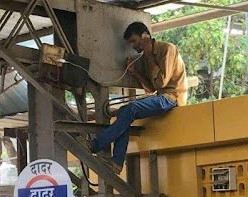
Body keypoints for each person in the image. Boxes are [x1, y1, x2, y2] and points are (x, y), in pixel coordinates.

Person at [81, 22, 188, 174]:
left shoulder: (167, 49)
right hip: (160, 96)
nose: (132, 46)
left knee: (130, 109)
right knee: (125, 111)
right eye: (130, 43)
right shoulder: (144, 57)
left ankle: (96, 145)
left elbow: (161, 82)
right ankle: (117, 162)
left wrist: (149, 53)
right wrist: (134, 72)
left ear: (145, 36)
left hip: (172, 97)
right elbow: (151, 89)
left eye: (134, 41)